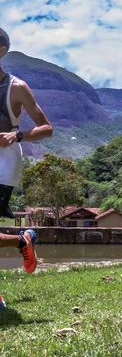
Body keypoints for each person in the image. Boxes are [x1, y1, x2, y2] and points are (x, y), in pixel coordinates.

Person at [0, 27, 50, 274]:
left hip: (4, 163)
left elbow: (46, 128)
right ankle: (23, 241)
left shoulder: (17, 87)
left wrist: (16, 134)